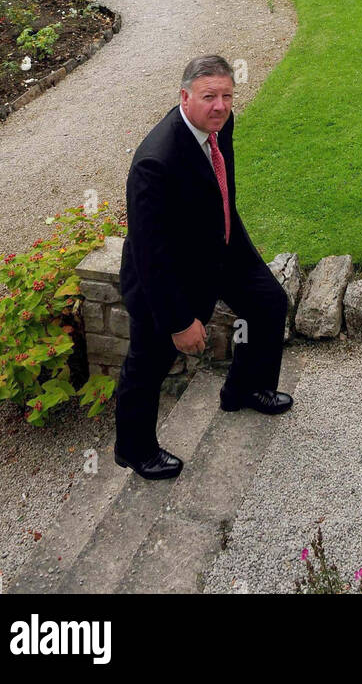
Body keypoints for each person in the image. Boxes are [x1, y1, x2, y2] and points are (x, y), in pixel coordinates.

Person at [114, 55, 291, 480]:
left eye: (227, 95)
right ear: (185, 97)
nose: (220, 105)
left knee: (269, 302)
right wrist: (179, 322)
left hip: (221, 248)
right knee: (147, 364)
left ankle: (244, 388)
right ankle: (135, 450)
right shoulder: (153, 164)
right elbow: (151, 255)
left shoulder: (217, 125)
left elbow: (218, 185)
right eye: (209, 96)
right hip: (167, 278)